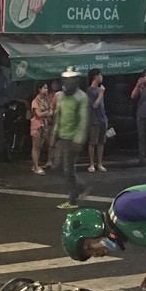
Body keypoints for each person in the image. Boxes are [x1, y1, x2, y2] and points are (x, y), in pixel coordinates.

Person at [50, 68, 89, 211]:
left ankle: (73, 199)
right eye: (66, 79)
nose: (67, 82)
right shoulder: (61, 95)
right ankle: (80, 187)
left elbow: (83, 120)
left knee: (68, 169)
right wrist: (54, 134)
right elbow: (58, 115)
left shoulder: (81, 97)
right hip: (62, 137)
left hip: (73, 139)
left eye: (71, 79)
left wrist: (78, 140)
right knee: (58, 167)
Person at [85, 69, 108, 173]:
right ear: (95, 77)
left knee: (101, 142)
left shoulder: (100, 89)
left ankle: (99, 163)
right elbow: (95, 105)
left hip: (102, 119)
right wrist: (101, 93)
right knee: (92, 142)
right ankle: (91, 164)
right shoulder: (89, 91)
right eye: (100, 75)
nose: (101, 77)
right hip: (94, 120)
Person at [29, 83, 54, 174]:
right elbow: (38, 114)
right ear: (39, 89)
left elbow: (51, 111)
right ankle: (36, 167)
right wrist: (46, 113)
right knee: (35, 146)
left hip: (45, 125)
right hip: (37, 125)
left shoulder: (46, 100)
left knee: (40, 146)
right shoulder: (35, 101)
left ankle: (35, 165)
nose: (46, 90)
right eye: (44, 88)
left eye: (47, 88)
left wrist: (45, 113)